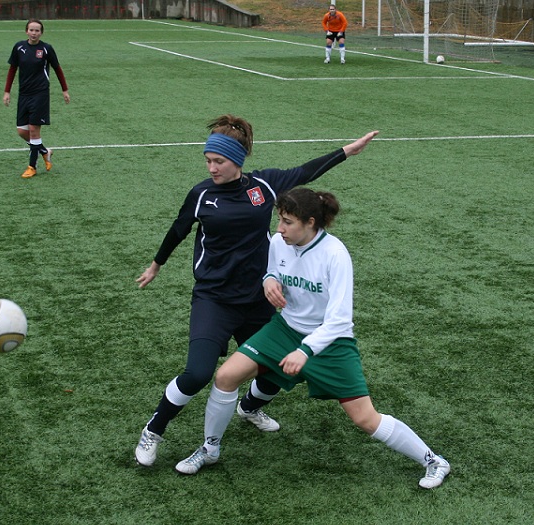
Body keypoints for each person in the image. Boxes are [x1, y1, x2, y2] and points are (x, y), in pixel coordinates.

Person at [133, 113, 379, 468]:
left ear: (237, 160)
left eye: (218, 161)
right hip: (214, 299)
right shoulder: (202, 194)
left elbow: (306, 172)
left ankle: (250, 407)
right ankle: (154, 430)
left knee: (277, 368)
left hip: (258, 297)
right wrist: (157, 264)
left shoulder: (264, 186)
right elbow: (178, 229)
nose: (212, 168)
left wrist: (347, 151)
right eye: (208, 161)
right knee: (199, 373)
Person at [174, 187, 452, 489]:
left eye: (288, 222)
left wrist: (305, 350)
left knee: (365, 419)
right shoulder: (279, 243)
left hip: (331, 341)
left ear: (310, 222)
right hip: (284, 330)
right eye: (279, 219)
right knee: (226, 376)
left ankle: (434, 460)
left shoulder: (335, 254)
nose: (279, 229)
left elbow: (340, 320)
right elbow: (272, 271)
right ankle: (209, 449)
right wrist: (269, 281)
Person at [3, 19, 70, 179]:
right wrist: (7, 91)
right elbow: (12, 69)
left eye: (37, 30)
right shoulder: (19, 47)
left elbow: (57, 68)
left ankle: (32, 167)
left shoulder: (46, 49)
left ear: (41, 32)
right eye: (31, 30)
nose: (34, 33)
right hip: (24, 94)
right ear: (26, 31)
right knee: (21, 131)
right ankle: (45, 152)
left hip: (40, 94)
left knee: (33, 130)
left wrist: (64, 89)